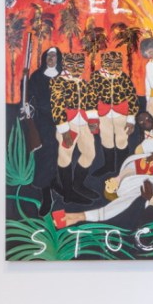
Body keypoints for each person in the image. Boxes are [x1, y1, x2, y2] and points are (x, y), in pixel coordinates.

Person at [49, 52, 99, 204]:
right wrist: (64, 131)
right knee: (65, 156)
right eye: (72, 65)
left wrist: (93, 120)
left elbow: (90, 102)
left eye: (80, 65)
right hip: (67, 123)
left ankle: (78, 185)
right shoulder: (58, 82)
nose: (76, 68)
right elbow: (57, 106)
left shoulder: (83, 82)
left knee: (89, 153)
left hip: (83, 122)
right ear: (65, 65)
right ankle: (68, 192)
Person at [23, 46, 63, 213]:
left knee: (59, 154)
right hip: (43, 120)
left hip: (62, 119)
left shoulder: (63, 76)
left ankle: (55, 182)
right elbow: (28, 95)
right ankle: (47, 195)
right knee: (45, 154)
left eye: (53, 56)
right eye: (48, 56)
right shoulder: (37, 76)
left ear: (58, 58)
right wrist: (24, 80)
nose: (50, 59)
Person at [89, 51, 138, 177]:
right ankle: (109, 166)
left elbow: (132, 97)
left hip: (121, 113)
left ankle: (122, 168)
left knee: (122, 140)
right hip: (103, 113)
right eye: (110, 63)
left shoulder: (123, 77)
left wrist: (131, 119)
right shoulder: (96, 76)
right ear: (103, 63)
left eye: (117, 63)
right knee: (106, 140)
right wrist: (92, 118)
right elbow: (91, 97)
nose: (114, 66)